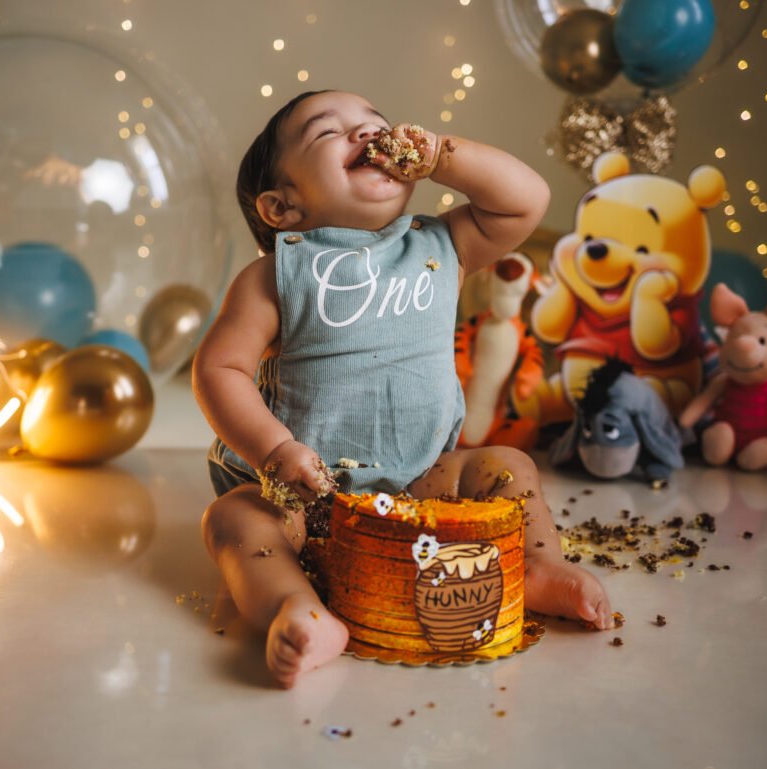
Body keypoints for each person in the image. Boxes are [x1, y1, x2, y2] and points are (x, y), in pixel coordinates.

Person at [193, 90, 612, 688]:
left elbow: (527, 202)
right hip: (305, 497)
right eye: (328, 132)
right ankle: (296, 607)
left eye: (376, 124)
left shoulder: (441, 244)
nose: (365, 133)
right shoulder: (278, 272)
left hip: (421, 481)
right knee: (233, 520)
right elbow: (219, 370)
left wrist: (443, 155)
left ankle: (541, 568)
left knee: (508, 465)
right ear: (281, 207)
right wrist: (273, 453)